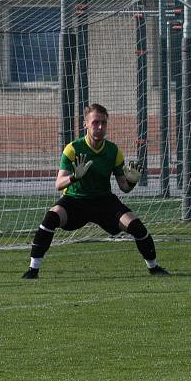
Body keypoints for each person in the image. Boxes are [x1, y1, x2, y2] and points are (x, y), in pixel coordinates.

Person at [21, 103, 169, 279]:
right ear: (85, 124)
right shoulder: (73, 149)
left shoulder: (113, 151)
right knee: (51, 217)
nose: (99, 127)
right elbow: (59, 184)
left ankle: (154, 268)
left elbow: (124, 187)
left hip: (104, 201)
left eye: (103, 123)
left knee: (136, 226)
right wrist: (75, 177)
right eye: (95, 123)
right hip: (75, 200)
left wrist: (132, 181)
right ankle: (33, 271)